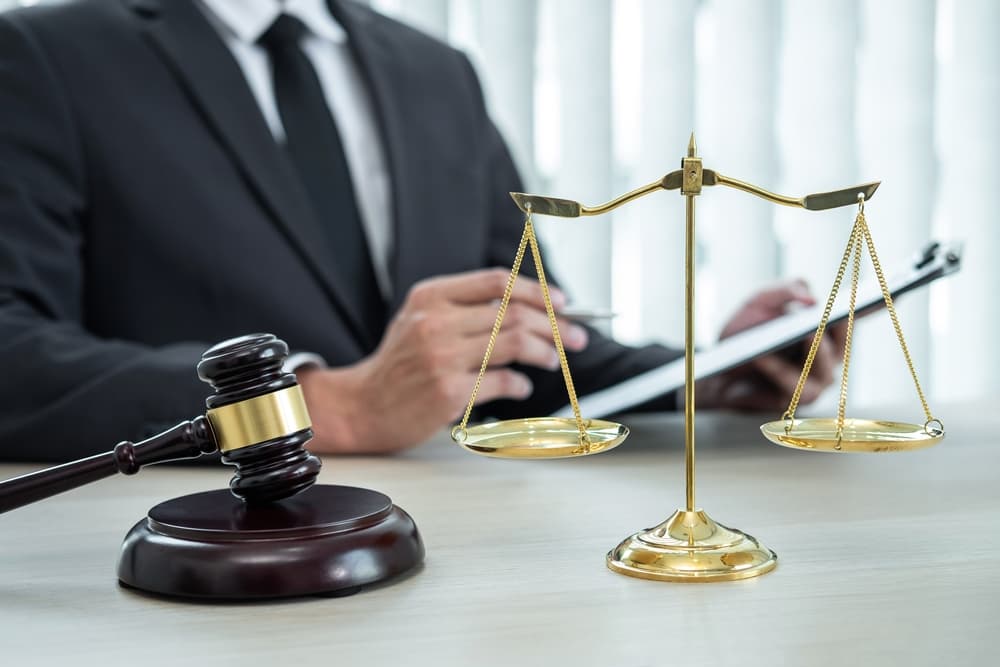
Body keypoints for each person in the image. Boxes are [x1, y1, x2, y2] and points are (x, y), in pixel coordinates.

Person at [0, 0, 839, 462]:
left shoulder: (436, 72)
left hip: (453, 565)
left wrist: (705, 380)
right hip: (200, 574)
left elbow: (528, 344)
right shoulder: (46, 55)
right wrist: (320, 406)